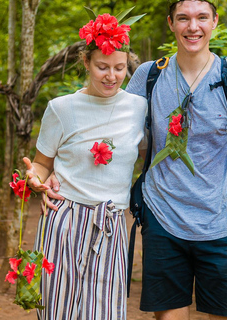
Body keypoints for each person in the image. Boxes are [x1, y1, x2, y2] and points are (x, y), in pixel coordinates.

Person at [44, 0, 227, 319]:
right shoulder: (149, 76)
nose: (193, 27)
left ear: (215, 21)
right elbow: (106, 125)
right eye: (184, 18)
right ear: (171, 23)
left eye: (202, 17)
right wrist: (56, 171)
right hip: (163, 223)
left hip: (224, 225)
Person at [23, 13, 147, 320]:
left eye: (119, 68)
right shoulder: (62, 108)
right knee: (56, 310)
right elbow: (41, 164)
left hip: (112, 221)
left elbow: (147, 155)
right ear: (86, 63)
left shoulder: (138, 107)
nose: (111, 76)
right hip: (64, 218)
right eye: (102, 67)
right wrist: (35, 179)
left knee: (104, 313)